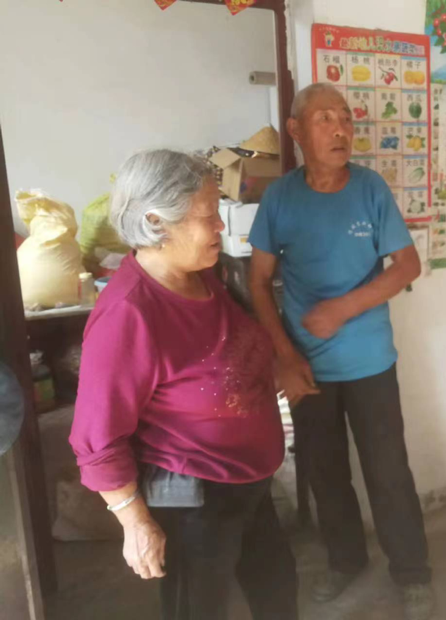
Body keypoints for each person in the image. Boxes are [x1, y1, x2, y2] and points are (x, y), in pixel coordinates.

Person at [69, 150, 297, 620]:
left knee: (277, 595)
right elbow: (97, 439)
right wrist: (134, 521)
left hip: (251, 482)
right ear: (157, 222)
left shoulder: (205, 275)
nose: (220, 226)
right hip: (195, 501)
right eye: (207, 215)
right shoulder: (128, 314)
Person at [248, 83, 433, 620]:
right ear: (296, 131)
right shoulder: (280, 198)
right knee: (325, 472)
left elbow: (407, 266)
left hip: (371, 361)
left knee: (388, 471)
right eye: (325, 118)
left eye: (346, 118)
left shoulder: (370, 189)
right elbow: (258, 282)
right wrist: (284, 356)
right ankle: (345, 560)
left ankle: (412, 572)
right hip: (307, 367)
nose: (340, 129)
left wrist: (342, 309)